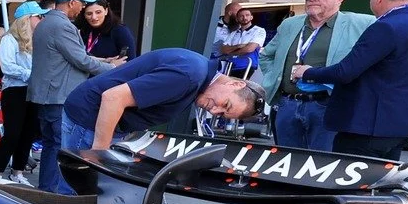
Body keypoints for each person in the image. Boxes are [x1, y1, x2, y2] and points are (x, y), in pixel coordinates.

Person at [252, 0, 373, 204]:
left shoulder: (360, 23)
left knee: (321, 170)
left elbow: (372, 57)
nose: (312, 0)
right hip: (288, 103)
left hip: (326, 104)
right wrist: (274, 79)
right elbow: (266, 54)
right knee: (287, 168)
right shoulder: (292, 24)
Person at [291, 0, 408, 159]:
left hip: (366, 126)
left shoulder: (385, 27)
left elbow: (345, 71)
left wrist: (307, 72)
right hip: (404, 124)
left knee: (349, 184)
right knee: (381, 183)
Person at [63, 48, 262, 152]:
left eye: (223, 115)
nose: (216, 111)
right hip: (89, 120)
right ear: (236, 84)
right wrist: (100, 152)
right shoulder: (187, 77)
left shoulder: (197, 71)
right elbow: (113, 98)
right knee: (78, 197)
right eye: (225, 105)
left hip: (93, 119)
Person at [29, 0, 117, 194]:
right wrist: (112, 68)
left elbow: (68, 56)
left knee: (51, 145)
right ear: (72, 3)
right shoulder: (63, 26)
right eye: (83, 3)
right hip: (59, 96)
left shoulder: (45, 22)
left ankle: (47, 190)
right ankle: (56, 193)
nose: (83, 8)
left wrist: (103, 60)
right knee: (62, 147)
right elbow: (81, 60)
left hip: (46, 95)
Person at [0, 1, 42, 186]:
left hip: (32, 90)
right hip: (14, 91)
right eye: (38, 16)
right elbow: (7, 66)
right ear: (28, 19)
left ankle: (18, 171)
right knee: (12, 133)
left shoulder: (38, 39)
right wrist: (31, 74)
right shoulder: (9, 39)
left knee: (28, 133)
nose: (41, 20)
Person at [214, 5, 267, 78]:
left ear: (251, 17)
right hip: (231, 65)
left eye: (247, 15)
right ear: (237, 19)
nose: (244, 18)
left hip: (246, 65)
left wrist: (231, 53)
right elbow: (223, 50)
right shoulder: (234, 32)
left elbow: (249, 49)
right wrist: (238, 46)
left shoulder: (259, 30)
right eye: (241, 16)